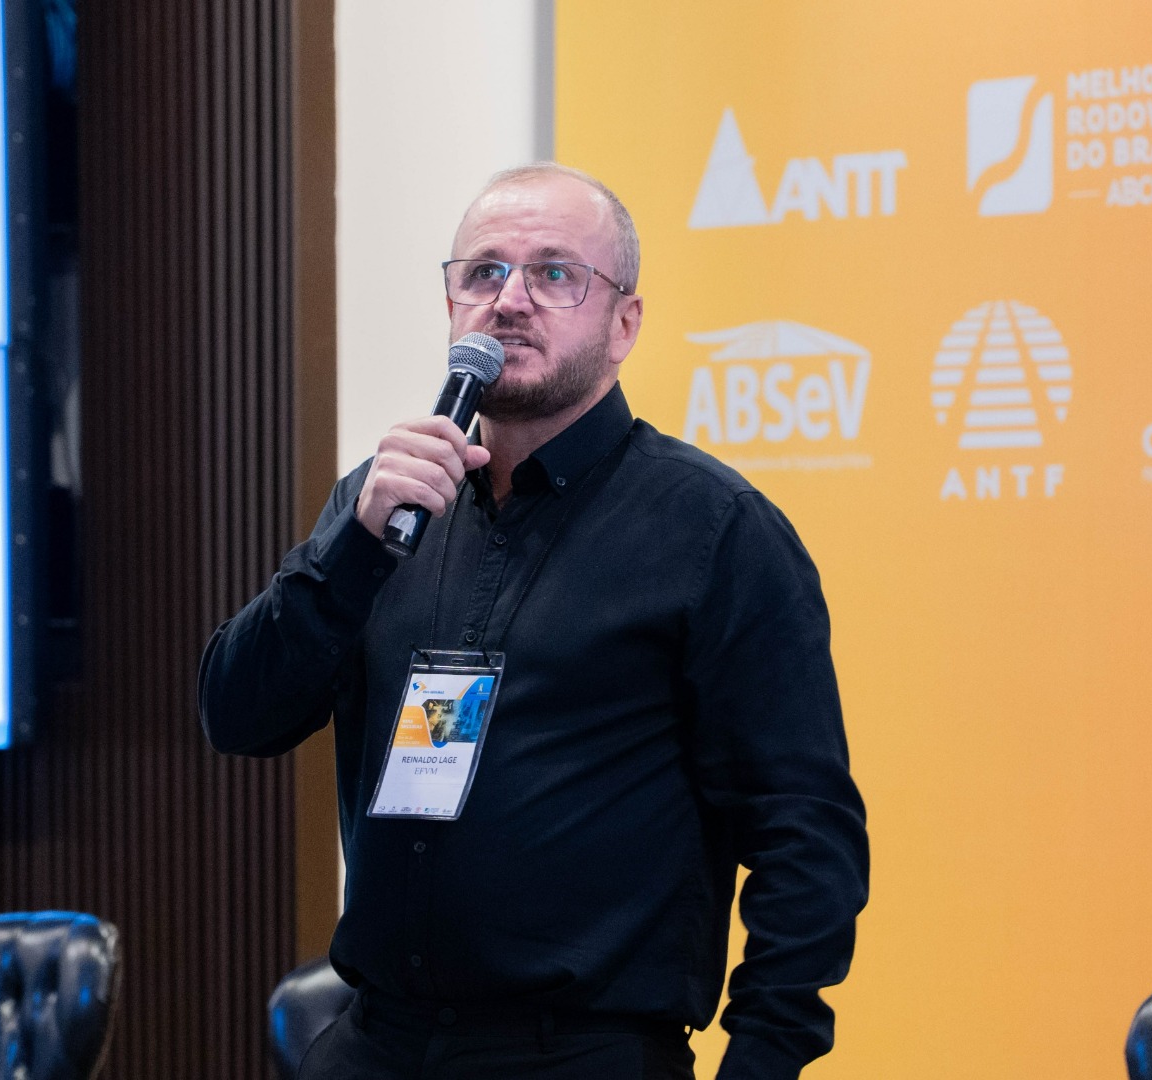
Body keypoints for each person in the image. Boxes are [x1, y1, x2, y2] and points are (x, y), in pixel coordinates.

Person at [198, 162, 868, 1080]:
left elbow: (806, 836)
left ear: (624, 322)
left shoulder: (714, 530)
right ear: (452, 306)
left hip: (580, 1052)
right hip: (376, 1042)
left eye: (555, 274)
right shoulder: (385, 505)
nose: (509, 300)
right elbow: (238, 716)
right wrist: (351, 553)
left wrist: (761, 1061)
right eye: (484, 272)